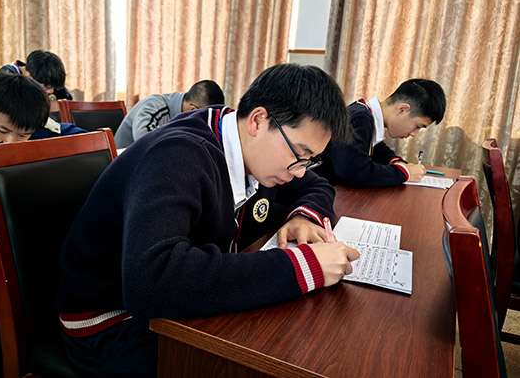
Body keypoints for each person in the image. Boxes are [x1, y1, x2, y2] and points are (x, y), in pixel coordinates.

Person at [57, 63, 360, 376]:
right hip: (110, 324)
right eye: (299, 154)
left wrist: (304, 217)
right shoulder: (177, 156)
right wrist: (303, 267)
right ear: (258, 120)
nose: (299, 171)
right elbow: (150, 284)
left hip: (167, 309)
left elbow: (317, 186)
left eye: (310, 160)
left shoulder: (253, 148)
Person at [315, 78, 446, 188]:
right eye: (417, 126)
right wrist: (404, 172)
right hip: (318, 194)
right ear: (402, 109)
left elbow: (375, 147)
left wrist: (395, 161)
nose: (414, 134)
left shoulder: (365, 114)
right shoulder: (359, 119)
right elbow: (354, 172)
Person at [0, 71, 85, 144]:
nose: (10, 143)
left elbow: (81, 138)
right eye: (2, 130)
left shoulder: (36, 126)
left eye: (23, 135)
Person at [114, 79, 225, 148]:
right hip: (125, 169)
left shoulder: (186, 118)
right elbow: (145, 144)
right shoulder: (153, 106)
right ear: (193, 109)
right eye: (206, 117)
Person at [0, 50, 73, 100]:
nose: (51, 91)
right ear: (29, 76)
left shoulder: (48, 79)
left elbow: (68, 103)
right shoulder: (6, 78)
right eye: (47, 87)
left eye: (54, 87)